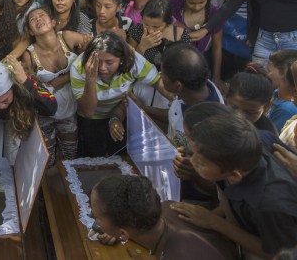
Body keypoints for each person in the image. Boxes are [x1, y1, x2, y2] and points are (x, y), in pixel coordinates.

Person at [170, 115, 297, 258]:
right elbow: (232, 197)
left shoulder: (271, 205)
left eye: (201, 162)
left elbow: (275, 252)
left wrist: (214, 222)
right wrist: (209, 216)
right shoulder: (238, 153)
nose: (192, 161)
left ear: (235, 176)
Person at [90, 175, 237, 259]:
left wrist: (121, 232)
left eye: (98, 218)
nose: (96, 222)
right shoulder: (169, 207)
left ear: (123, 232)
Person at [70, 32, 166, 157]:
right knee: (92, 158)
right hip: (91, 119)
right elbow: (88, 111)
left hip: (121, 113)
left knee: (121, 155)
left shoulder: (133, 60)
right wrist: (90, 79)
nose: (102, 68)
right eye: (98, 62)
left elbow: (158, 82)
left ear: (122, 61)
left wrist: (178, 102)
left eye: (109, 62)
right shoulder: (78, 67)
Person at [22, 7, 91, 165]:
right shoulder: (29, 54)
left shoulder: (67, 37)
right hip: (44, 114)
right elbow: (33, 87)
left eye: (42, 15)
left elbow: (92, 51)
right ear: (30, 31)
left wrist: (61, 80)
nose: (38, 19)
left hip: (71, 112)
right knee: (47, 159)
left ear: (53, 22)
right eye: (33, 19)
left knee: (69, 157)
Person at [159, 43, 224, 145]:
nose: (160, 76)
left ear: (178, 86)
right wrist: (143, 107)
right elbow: (174, 115)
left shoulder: (209, 124)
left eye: (163, 73)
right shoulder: (194, 88)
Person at [128, 0, 191, 69]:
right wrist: (142, 47)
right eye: (146, 24)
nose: (150, 30)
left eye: (156, 27)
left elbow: (185, 65)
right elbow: (129, 63)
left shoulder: (181, 35)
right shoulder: (136, 31)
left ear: (168, 23)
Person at [226, 65, 279, 134]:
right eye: (234, 107)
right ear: (226, 97)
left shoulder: (266, 136)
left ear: (266, 108)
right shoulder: (213, 116)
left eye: (250, 112)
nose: (239, 116)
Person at [267, 50, 297, 131]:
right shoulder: (276, 94)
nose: (269, 74)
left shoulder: (286, 108)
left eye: (283, 81)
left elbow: (276, 138)